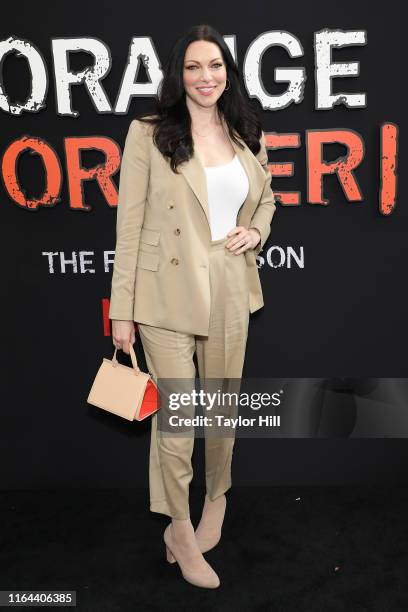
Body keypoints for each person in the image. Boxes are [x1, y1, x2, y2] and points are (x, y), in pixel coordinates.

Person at [109, 24, 276, 589]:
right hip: (164, 295)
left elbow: (267, 197)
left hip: (229, 285)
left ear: (227, 73)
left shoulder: (246, 129)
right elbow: (129, 224)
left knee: (222, 411)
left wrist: (256, 230)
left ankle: (217, 501)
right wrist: (121, 309)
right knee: (179, 425)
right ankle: (178, 529)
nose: (206, 78)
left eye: (216, 67)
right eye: (194, 67)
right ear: (178, 74)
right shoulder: (149, 133)